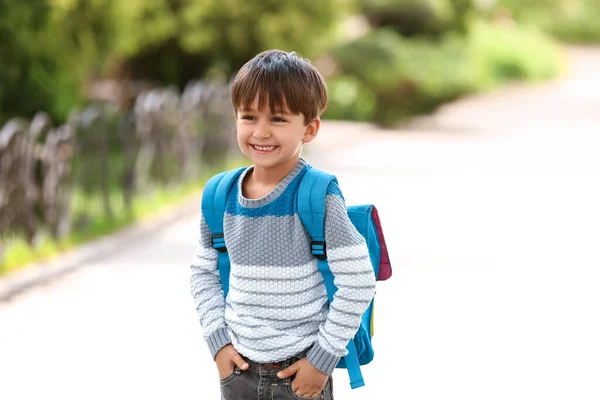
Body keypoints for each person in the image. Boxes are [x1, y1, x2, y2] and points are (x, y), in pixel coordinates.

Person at [190, 49, 376, 400]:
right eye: (248, 117)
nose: (261, 132)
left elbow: (358, 281)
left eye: (277, 119)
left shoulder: (316, 195)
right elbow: (204, 273)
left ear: (309, 129)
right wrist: (218, 343)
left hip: (301, 374)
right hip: (238, 371)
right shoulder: (219, 195)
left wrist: (321, 360)